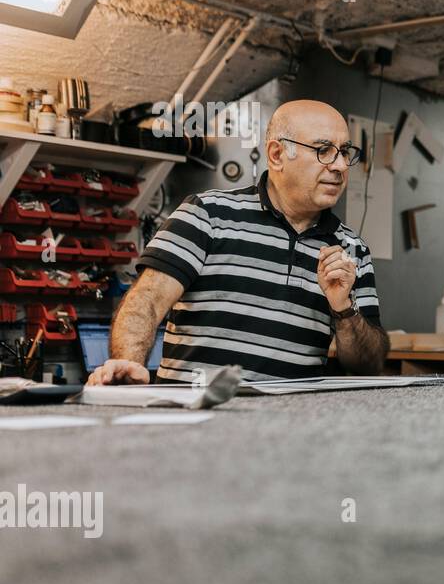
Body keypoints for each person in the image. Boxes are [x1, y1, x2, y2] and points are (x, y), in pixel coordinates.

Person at [87, 99, 389, 385]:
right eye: (324, 150)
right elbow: (146, 302)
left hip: (290, 424)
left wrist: (344, 309)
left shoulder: (351, 249)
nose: (339, 166)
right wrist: (129, 365)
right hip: (197, 415)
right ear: (276, 155)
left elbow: (368, 364)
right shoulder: (207, 215)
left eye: (345, 152)